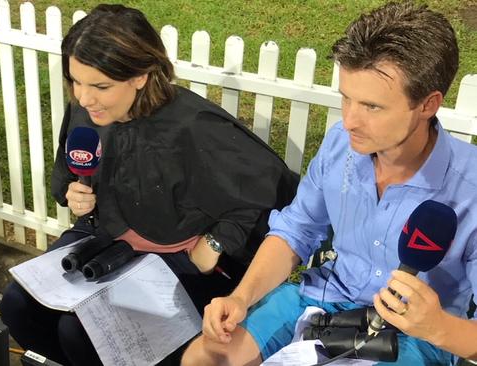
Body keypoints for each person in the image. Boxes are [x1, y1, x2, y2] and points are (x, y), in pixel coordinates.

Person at [0, 4, 299, 365]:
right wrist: (69, 191)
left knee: (81, 332)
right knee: (18, 306)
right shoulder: (86, 109)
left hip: (176, 258)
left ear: (140, 76)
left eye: (100, 85)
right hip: (104, 239)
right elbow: (67, 168)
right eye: (75, 81)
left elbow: (274, 189)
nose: (83, 97)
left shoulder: (194, 126)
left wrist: (217, 242)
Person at [181, 2, 477, 365]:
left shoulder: (471, 189)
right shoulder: (341, 144)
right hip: (322, 297)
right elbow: (296, 229)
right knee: (204, 358)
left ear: (428, 104)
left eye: (372, 106)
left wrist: (437, 328)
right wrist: (240, 298)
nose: (349, 120)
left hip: (414, 336)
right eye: (345, 98)